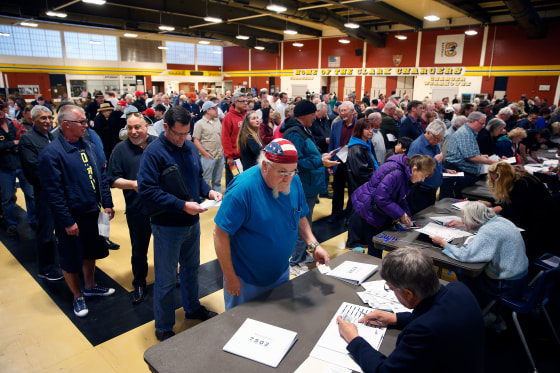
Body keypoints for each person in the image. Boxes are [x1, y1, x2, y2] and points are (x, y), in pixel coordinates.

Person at [137, 105, 222, 342]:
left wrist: (209, 192)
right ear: (165, 127)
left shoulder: (188, 148)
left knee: (191, 270)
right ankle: (164, 325)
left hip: (191, 223)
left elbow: (197, 178)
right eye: (178, 134)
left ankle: (192, 308)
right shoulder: (154, 153)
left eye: (187, 134)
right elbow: (147, 190)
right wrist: (181, 204)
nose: (183, 139)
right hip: (167, 225)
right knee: (165, 278)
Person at [214, 139, 330, 309]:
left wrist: (313, 245)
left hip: (280, 273)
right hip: (246, 279)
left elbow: (300, 216)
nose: (288, 178)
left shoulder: (294, 181)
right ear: (265, 165)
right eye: (282, 172)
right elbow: (220, 233)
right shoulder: (242, 190)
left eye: (292, 172)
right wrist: (230, 277)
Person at [337, 247, 484, 373]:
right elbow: (437, 312)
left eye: (391, 288)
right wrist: (395, 318)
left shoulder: (423, 332)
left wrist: (353, 339)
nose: (391, 291)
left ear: (408, 293)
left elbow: (385, 371)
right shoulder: (458, 288)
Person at [39, 105, 115, 318]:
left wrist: (107, 203)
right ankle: (77, 295)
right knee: (71, 258)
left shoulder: (89, 146)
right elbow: (53, 194)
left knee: (91, 252)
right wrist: (67, 221)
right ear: (65, 125)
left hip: (92, 212)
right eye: (81, 122)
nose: (86, 125)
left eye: (85, 120)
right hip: (72, 218)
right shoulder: (52, 154)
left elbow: (101, 176)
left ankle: (90, 285)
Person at [431, 202, 528, 309]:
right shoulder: (500, 220)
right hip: (519, 278)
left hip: (505, 285)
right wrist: (464, 223)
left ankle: (476, 307)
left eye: (465, 219)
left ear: (475, 220)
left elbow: (465, 255)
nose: (464, 221)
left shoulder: (488, 231)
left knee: (463, 272)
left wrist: (443, 243)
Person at [281, 100, 339, 274]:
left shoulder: (304, 130)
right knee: (301, 223)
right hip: (303, 186)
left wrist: (321, 156)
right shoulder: (294, 133)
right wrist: (319, 161)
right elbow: (294, 161)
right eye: (313, 114)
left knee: (306, 222)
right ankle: (294, 262)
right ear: (304, 115)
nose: (316, 117)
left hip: (310, 185)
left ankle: (301, 254)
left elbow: (307, 154)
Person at [107, 114, 156, 304]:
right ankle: (139, 282)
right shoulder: (120, 150)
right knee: (139, 250)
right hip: (137, 210)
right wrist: (134, 184)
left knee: (166, 246)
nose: (133, 132)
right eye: (129, 128)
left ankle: (170, 276)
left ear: (146, 127)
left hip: (162, 208)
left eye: (137, 127)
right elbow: (112, 179)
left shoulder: (158, 144)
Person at [352, 154, 436, 257]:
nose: (422, 180)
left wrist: (406, 214)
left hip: (379, 211)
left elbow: (401, 196)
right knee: (375, 249)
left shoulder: (405, 175)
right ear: (414, 169)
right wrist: (401, 214)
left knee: (378, 247)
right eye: (423, 176)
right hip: (370, 211)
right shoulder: (396, 173)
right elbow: (381, 198)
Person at [18, 105, 63, 281]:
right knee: (45, 231)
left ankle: (59, 262)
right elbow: (33, 169)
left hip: (60, 191)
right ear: (33, 119)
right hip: (45, 193)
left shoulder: (53, 137)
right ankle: (46, 268)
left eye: (49, 118)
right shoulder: (27, 140)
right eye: (43, 118)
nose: (47, 121)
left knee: (61, 230)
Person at [486, 162, 558, 261]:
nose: (494, 182)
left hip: (540, 229)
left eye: (496, 180)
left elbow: (515, 209)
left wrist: (496, 210)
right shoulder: (519, 179)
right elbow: (511, 200)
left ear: (503, 178)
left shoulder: (522, 184)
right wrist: (492, 203)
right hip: (538, 222)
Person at [440, 112, 498, 199]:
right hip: (457, 172)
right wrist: (494, 162)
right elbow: (472, 157)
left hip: (462, 171)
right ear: (473, 121)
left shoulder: (469, 132)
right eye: (481, 123)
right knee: (454, 199)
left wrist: (481, 157)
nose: (483, 126)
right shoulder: (465, 134)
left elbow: (469, 153)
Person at [0, 102, 36, 236]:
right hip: (4, 168)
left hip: (21, 165)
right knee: (7, 198)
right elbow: (15, 142)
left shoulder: (13, 124)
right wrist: (12, 143)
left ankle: (33, 219)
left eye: (1, 108)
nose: (0, 111)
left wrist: (8, 146)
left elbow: (24, 139)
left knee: (30, 195)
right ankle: (11, 224)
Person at [346, 118, 379, 251]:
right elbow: (361, 172)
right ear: (360, 130)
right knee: (357, 214)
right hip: (360, 187)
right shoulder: (356, 148)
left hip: (368, 186)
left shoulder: (366, 145)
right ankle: (353, 242)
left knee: (364, 214)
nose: (370, 131)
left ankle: (361, 239)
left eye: (371, 128)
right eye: (367, 128)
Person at [407, 120, 453, 214]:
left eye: (440, 139)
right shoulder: (417, 146)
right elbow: (413, 168)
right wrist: (435, 161)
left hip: (431, 189)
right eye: (436, 138)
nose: (438, 142)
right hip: (421, 190)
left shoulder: (434, 143)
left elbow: (436, 163)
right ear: (428, 132)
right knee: (421, 215)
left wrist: (444, 170)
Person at [328, 101, 357, 223]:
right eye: (341, 111)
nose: (343, 113)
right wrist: (329, 162)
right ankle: (336, 213)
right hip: (338, 161)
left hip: (353, 162)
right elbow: (332, 144)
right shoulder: (336, 125)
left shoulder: (359, 125)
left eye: (345, 110)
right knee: (338, 189)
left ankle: (350, 216)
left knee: (352, 190)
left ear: (352, 111)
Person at [192, 101, 224, 193]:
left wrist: (223, 150)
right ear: (207, 110)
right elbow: (196, 140)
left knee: (217, 180)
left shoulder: (218, 121)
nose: (216, 111)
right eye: (214, 109)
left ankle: (217, 199)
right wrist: (205, 153)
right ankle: (202, 198)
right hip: (208, 156)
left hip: (219, 155)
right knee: (205, 179)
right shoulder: (199, 124)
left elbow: (222, 136)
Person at [222, 92, 247, 187]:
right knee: (232, 182)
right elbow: (225, 138)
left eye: (246, 101)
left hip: (244, 156)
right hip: (233, 158)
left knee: (243, 182)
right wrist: (229, 156)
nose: (245, 103)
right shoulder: (228, 117)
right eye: (243, 101)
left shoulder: (246, 116)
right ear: (236, 102)